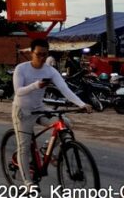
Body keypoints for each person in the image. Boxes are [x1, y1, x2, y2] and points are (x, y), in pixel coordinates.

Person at [12, 39, 92, 187]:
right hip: (23, 111)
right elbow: (18, 91)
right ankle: (28, 182)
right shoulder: (21, 69)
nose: (42, 58)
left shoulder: (50, 71)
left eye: (45, 54)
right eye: (39, 54)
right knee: (24, 146)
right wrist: (36, 85)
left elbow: (64, 89)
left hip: (40, 108)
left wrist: (82, 104)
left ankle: (45, 149)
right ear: (32, 53)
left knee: (65, 123)